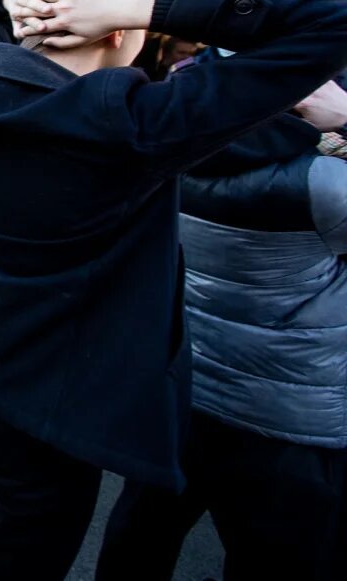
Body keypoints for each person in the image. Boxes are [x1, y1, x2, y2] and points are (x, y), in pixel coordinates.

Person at [0, 0, 347, 581]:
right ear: (116, 29)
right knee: (22, 546)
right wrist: (145, 4)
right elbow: (331, 21)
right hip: (48, 400)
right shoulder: (133, 124)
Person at [95, 78, 347, 581]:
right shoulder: (325, 183)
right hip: (289, 420)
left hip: (185, 388)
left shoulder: (172, 154)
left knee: (141, 538)